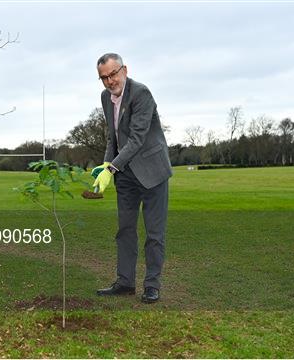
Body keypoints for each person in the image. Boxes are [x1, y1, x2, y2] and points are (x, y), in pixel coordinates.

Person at [93, 53, 172, 303]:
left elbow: (137, 139)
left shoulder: (141, 94)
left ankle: (152, 285)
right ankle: (125, 282)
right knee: (125, 230)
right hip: (125, 175)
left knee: (154, 233)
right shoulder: (106, 98)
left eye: (113, 74)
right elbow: (113, 137)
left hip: (152, 172)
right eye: (103, 77)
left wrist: (111, 169)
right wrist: (107, 162)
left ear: (124, 70)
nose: (109, 81)